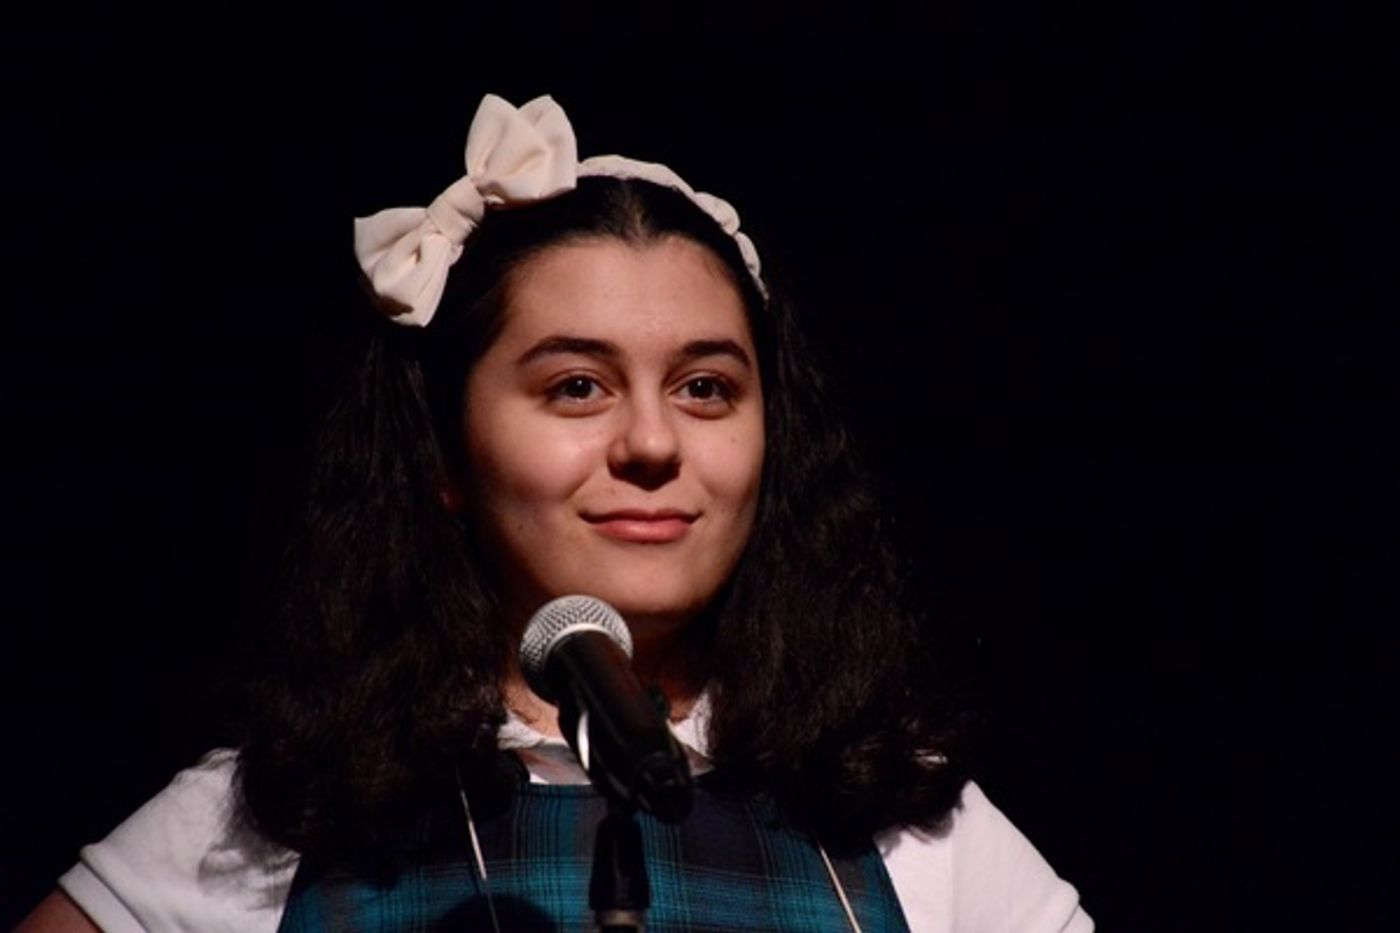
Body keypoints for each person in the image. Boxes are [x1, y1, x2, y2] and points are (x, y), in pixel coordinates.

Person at [20, 94, 1093, 932]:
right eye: (576, 386)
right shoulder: (289, 807)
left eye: (705, 387)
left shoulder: (894, 814)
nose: (651, 443)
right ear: (444, 453)